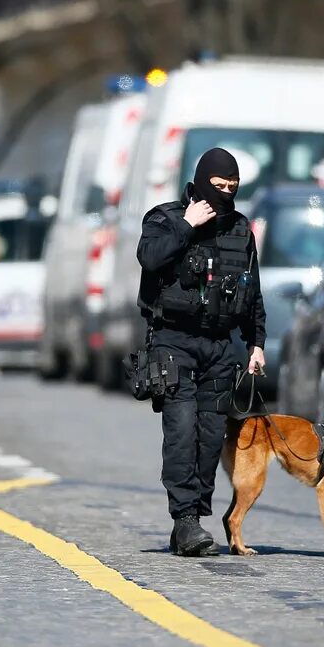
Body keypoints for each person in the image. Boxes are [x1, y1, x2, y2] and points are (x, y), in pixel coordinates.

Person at [136, 147, 266, 557]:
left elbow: (252, 292)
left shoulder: (241, 229)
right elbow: (149, 258)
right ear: (201, 182)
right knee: (181, 430)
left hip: (221, 345)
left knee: (211, 436)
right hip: (174, 340)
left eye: (233, 187)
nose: (226, 193)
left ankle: (193, 516)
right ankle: (185, 520)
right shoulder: (166, 218)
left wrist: (256, 342)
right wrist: (188, 227)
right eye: (219, 186)